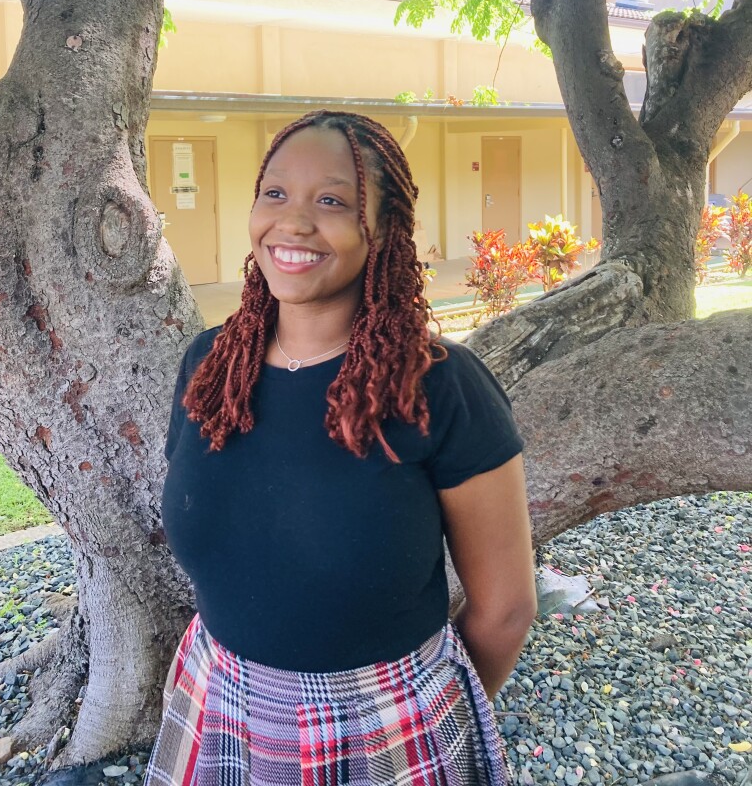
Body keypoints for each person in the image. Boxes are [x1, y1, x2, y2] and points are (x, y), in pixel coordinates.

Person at [146, 110, 537, 786]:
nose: (294, 222)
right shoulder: (212, 365)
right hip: (217, 696)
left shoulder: (440, 387)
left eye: (331, 200)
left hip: (383, 726)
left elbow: (505, 610)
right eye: (275, 193)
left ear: (383, 230)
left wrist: (424, 713)